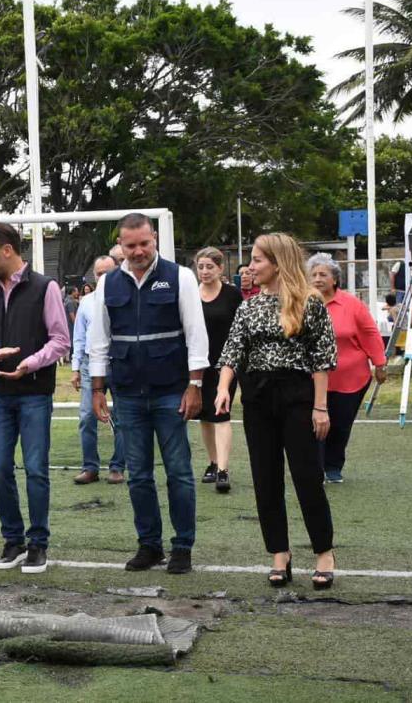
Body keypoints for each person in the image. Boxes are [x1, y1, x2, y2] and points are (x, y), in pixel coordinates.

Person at [215, 233, 338, 589]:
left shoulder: (309, 302)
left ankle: (323, 553)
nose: (251, 267)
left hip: (298, 395)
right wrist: (224, 388)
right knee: (265, 478)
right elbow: (232, 350)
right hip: (257, 397)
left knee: (306, 477)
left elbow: (322, 359)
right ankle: (279, 554)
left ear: (278, 263)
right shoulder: (248, 305)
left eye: (257, 260)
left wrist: (320, 407)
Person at [89, 213, 208, 574]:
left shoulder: (180, 277)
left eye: (144, 243)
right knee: (138, 475)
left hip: (171, 392)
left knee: (179, 473)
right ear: (120, 246)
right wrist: (98, 389)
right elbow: (99, 342)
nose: (138, 251)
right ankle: (149, 546)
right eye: (131, 246)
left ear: (154, 239)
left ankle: (182, 547)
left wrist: (195, 385)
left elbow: (196, 334)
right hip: (127, 395)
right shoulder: (106, 284)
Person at [0, 223, 70, 574]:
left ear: (7, 250)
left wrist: (30, 363)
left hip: (35, 394)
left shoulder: (45, 287)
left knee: (36, 470)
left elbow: (60, 340)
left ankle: (38, 543)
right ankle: (13, 540)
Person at [308, 254, 387, 484]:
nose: (317, 279)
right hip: (311, 378)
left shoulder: (351, 304)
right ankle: (316, 467)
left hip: (350, 378)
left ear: (335, 279)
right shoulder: (303, 303)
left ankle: (333, 466)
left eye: (323, 274)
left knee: (340, 425)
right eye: (313, 275)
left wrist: (379, 363)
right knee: (314, 425)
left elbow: (370, 333)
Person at [71, 256, 126, 485]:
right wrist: (75, 368)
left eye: (107, 272)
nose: (102, 277)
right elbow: (79, 337)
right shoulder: (86, 302)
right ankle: (90, 467)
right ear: (94, 275)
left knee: (123, 417)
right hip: (89, 364)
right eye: (99, 273)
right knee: (86, 416)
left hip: (119, 362)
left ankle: (117, 467)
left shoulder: (125, 298)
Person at [195, 247, 243, 493]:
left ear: (220, 269)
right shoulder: (191, 294)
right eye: (201, 267)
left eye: (209, 267)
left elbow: (241, 330)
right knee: (204, 415)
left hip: (226, 364)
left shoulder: (233, 295)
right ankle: (212, 462)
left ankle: (223, 470)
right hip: (198, 365)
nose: (204, 271)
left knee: (221, 412)